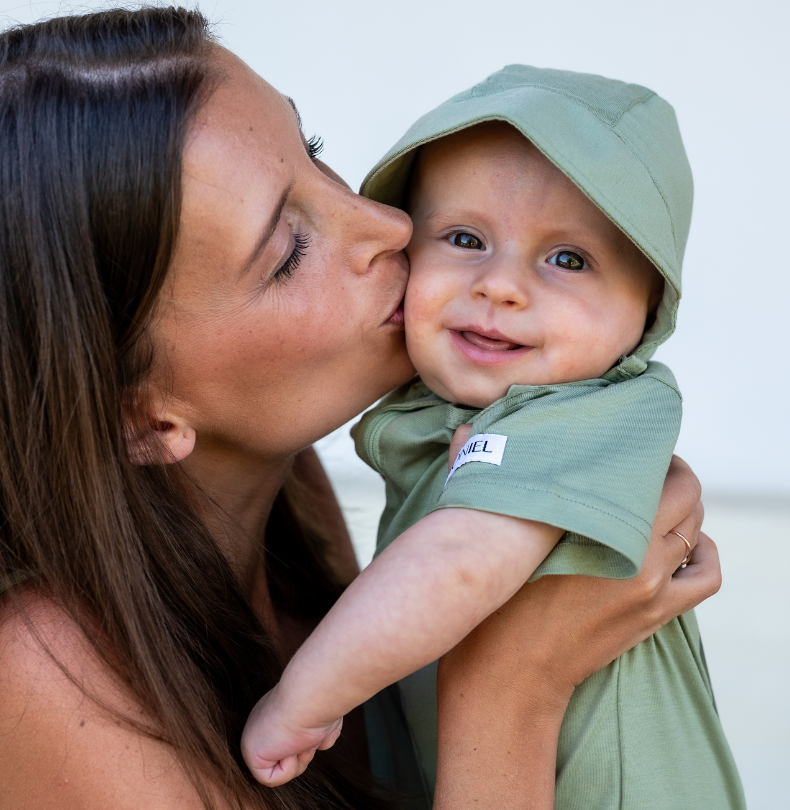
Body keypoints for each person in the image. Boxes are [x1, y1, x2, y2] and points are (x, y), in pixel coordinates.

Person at [0, 8, 720, 810]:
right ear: (144, 419)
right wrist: (510, 687)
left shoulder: (291, 503)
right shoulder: (41, 673)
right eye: (287, 252)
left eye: (314, 153)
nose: (390, 223)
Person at [242, 67, 745, 809]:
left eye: (568, 259)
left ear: (646, 313)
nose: (501, 285)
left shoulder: (582, 411)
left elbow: (457, 565)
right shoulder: (446, 417)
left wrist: (299, 703)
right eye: (465, 237)